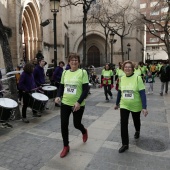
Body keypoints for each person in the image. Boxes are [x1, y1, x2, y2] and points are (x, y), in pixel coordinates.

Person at [55, 53, 89, 158]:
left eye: (76, 60)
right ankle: (66, 146)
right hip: (65, 103)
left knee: (76, 124)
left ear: (78, 62)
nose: (74, 62)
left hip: (78, 104)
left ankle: (84, 131)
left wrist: (79, 102)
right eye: (72, 60)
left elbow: (86, 90)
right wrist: (58, 96)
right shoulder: (65, 73)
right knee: (64, 124)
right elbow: (61, 87)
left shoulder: (83, 72)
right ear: (69, 62)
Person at [114, 60, 148, 153]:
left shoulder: (138, 78)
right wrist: (117, 104)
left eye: (129, 67)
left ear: (132, 69)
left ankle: (137, 130)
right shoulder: (122, 78)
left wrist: (144, 107)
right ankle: (125, 144)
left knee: (136, 120)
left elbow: (142, 94)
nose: (127, 68)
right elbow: (120, 92)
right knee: (123, 124)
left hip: (136, 105)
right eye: (125, 67)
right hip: (124, 105)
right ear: (123, 69)